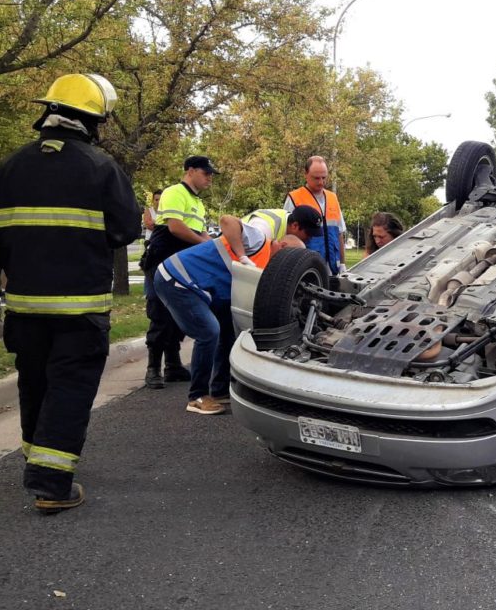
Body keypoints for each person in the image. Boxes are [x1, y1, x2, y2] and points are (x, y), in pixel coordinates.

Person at [0, 72, 140, 514]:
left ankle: (38, 457)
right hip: (80, 312)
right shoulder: (103, 169)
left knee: (36, 382)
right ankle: (51, 482)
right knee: (69, 387)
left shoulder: (10, 167)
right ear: (93, 121)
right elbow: (126, 230)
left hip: (25, 312)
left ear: (48, 112)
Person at [154, 206, 319, 415]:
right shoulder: (259, 240)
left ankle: (220, 391)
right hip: (177, 278)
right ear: (283, 245)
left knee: (228, 333)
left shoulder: (269, 269)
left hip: (199, 286)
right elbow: (227, 220)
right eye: (290, 259)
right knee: (208, 332)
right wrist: (242, 256)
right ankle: (197, 396)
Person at [141, 157, 216, 389]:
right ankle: (152, 368)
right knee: (160, 313)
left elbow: (202, 233)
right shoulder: (174, 192)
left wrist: (214, 246)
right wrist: (203, 245)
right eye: (206, 173)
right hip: (162, 259)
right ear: (191, 171)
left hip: (183, 263)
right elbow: (175, 227)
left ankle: (172, 365)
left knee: (178, 313)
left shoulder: (198, 202)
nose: (209, 178)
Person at [284, 155, 346, 275]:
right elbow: (287, 234)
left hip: (332, 267)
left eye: (324, 178)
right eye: (316, 178)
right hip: (308, 266)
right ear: (305, 174)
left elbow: (339, 233)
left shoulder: (333, 198)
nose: (321, 182)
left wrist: (342, 263)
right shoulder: (294, 198)